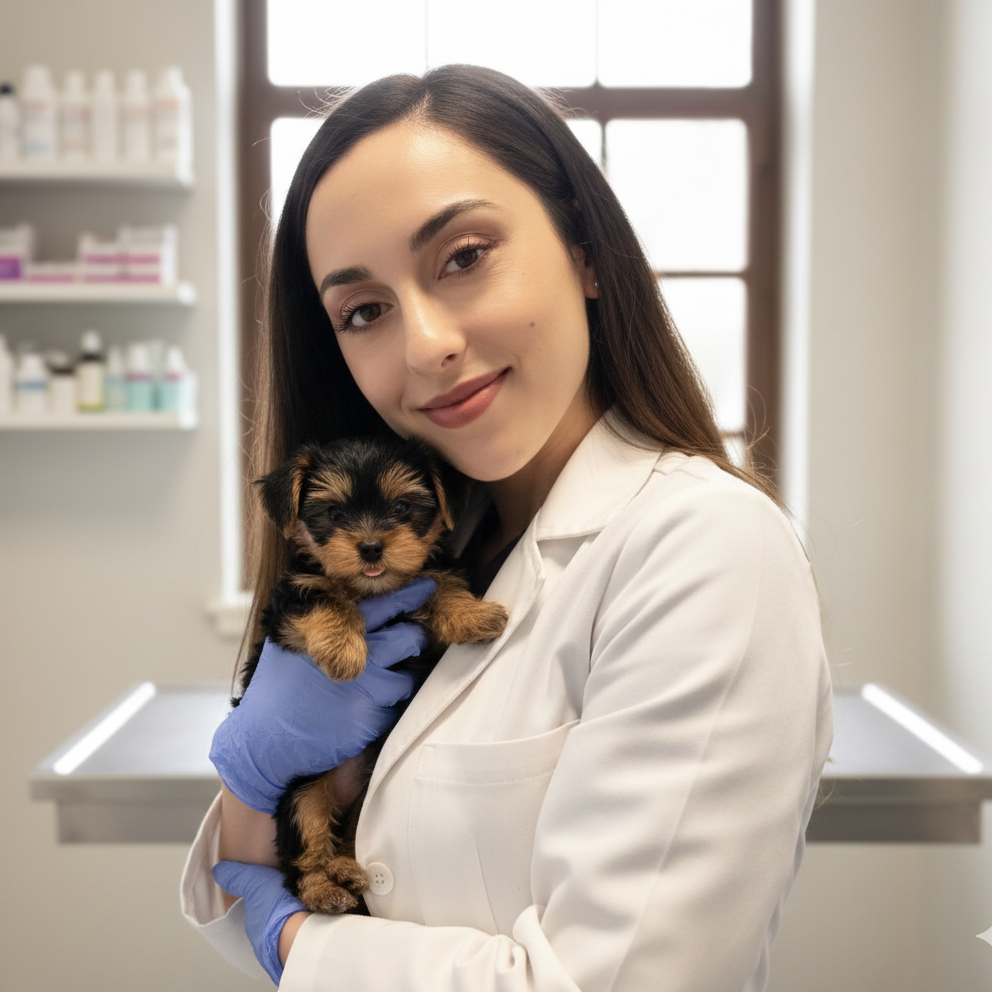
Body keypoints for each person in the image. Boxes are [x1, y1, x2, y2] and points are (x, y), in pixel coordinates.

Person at [181, 64, 832, 992]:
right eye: (363, 311)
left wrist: (294, 944)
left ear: (586, 251)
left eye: (464, 256)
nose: (425, 345)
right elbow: (246, 887)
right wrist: (254, 785)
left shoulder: (708, 550)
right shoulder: (447, 545)